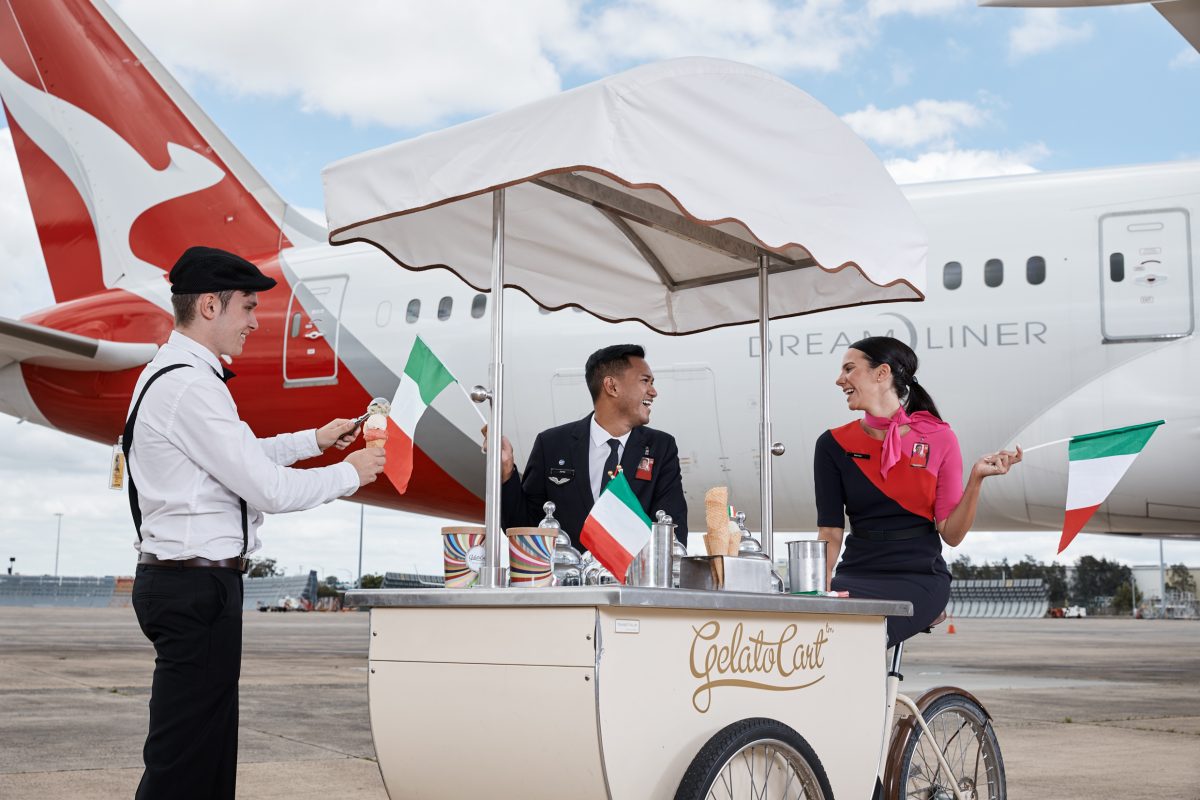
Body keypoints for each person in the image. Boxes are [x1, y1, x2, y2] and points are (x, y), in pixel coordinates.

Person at [125, 246, 386, 800]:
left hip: (196, 584)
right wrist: (351, 473)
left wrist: (314, 441)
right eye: (247, 307)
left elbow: (242, 456)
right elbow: (266, 488)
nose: (255, 321)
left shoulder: (184, 376)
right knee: (183, 763)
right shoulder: (189, 386)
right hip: (191, 586)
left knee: (207, 753)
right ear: (211, 308)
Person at [813, 336, 1020, 646]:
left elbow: (951, 533)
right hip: (855, 572)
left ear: (881, 374)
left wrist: (976, 479)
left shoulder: (940, 438)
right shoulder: (832, 445)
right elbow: (830, 531)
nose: (839, 380)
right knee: (815, 635)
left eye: (849, 369)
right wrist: (818, 588)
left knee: (857, 643)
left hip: (918, 576)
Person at [494, 344, 688, 551]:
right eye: (645, 381)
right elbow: (525, 527)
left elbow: (673, 532)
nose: (653, 391)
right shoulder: (551, 444)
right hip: (570, 581)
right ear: (612, 386)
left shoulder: (662, 448)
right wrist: (506, 477)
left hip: (631, 581)